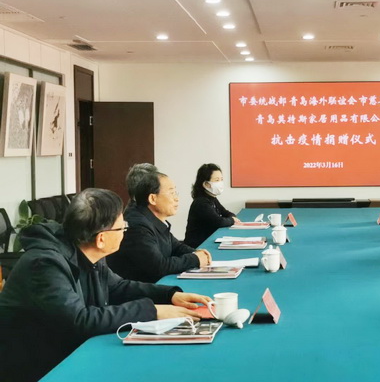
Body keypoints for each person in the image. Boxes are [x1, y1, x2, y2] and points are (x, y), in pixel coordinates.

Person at [0, 189, 212, 382]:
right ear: (101, 238)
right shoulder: (45, 264)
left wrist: (169, 295)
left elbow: (117, 287)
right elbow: (79, 320)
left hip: (66, 353)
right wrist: (152, 311)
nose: (125, 231)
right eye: (122, 227)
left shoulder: (86, 248)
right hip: (36, 368)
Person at [107, 172, 211, 283]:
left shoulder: (152, 219)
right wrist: (195, 259)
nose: (176, 198)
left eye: (176, 193)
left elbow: (175, 246)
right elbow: (159, 267)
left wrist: (196, 253)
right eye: (171, 193)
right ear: (152, 198)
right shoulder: (137, 226)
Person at [184, 163, 241, 248]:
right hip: (198, 247)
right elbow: (219, 222)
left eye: (221, 179)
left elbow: (226, 213)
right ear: (206, 184)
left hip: (208, 242)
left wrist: (231, 217)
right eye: (217, 180)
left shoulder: (212, 198)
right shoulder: (201, 202)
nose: (220, 183)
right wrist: (232, 220)